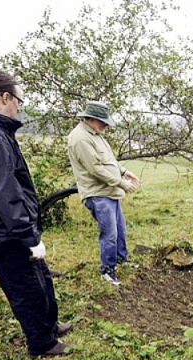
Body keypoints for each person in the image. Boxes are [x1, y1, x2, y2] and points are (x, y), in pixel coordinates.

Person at [0, 68, 72, 358]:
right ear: (4, 97)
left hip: (2, 225)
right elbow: (2, 192)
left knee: (40, 276)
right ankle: (42, 344)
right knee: (25, 286)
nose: (19, 105)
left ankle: (50, 325)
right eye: (18, 99)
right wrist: (28, 235)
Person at [68, 101, 141, 286]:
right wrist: (121, 183)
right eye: (103, 122)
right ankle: (107, 271)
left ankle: (121, 261)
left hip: (110, 192)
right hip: (98, 193)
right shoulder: (81, 138)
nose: (106, 126)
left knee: (120, 231)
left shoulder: (96, 133)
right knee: (109, 234)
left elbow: (108, 160)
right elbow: (95, 169)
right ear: (91, 119)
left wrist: (124, 171)